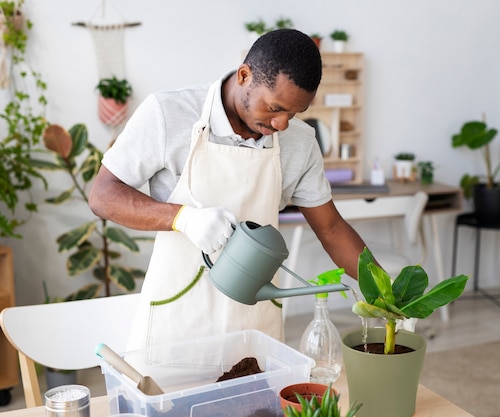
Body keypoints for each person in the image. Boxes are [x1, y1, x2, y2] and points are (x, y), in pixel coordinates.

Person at [88, 29, 368, 354]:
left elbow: (331, 228)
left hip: (254, 324)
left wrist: (384, 288)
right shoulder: (169, 114)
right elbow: (103, 195)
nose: (282, 125)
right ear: (244, 75)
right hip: (178, 323)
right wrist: (184, 218)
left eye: (294, 114)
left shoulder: (300, 142)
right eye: (275, 108)